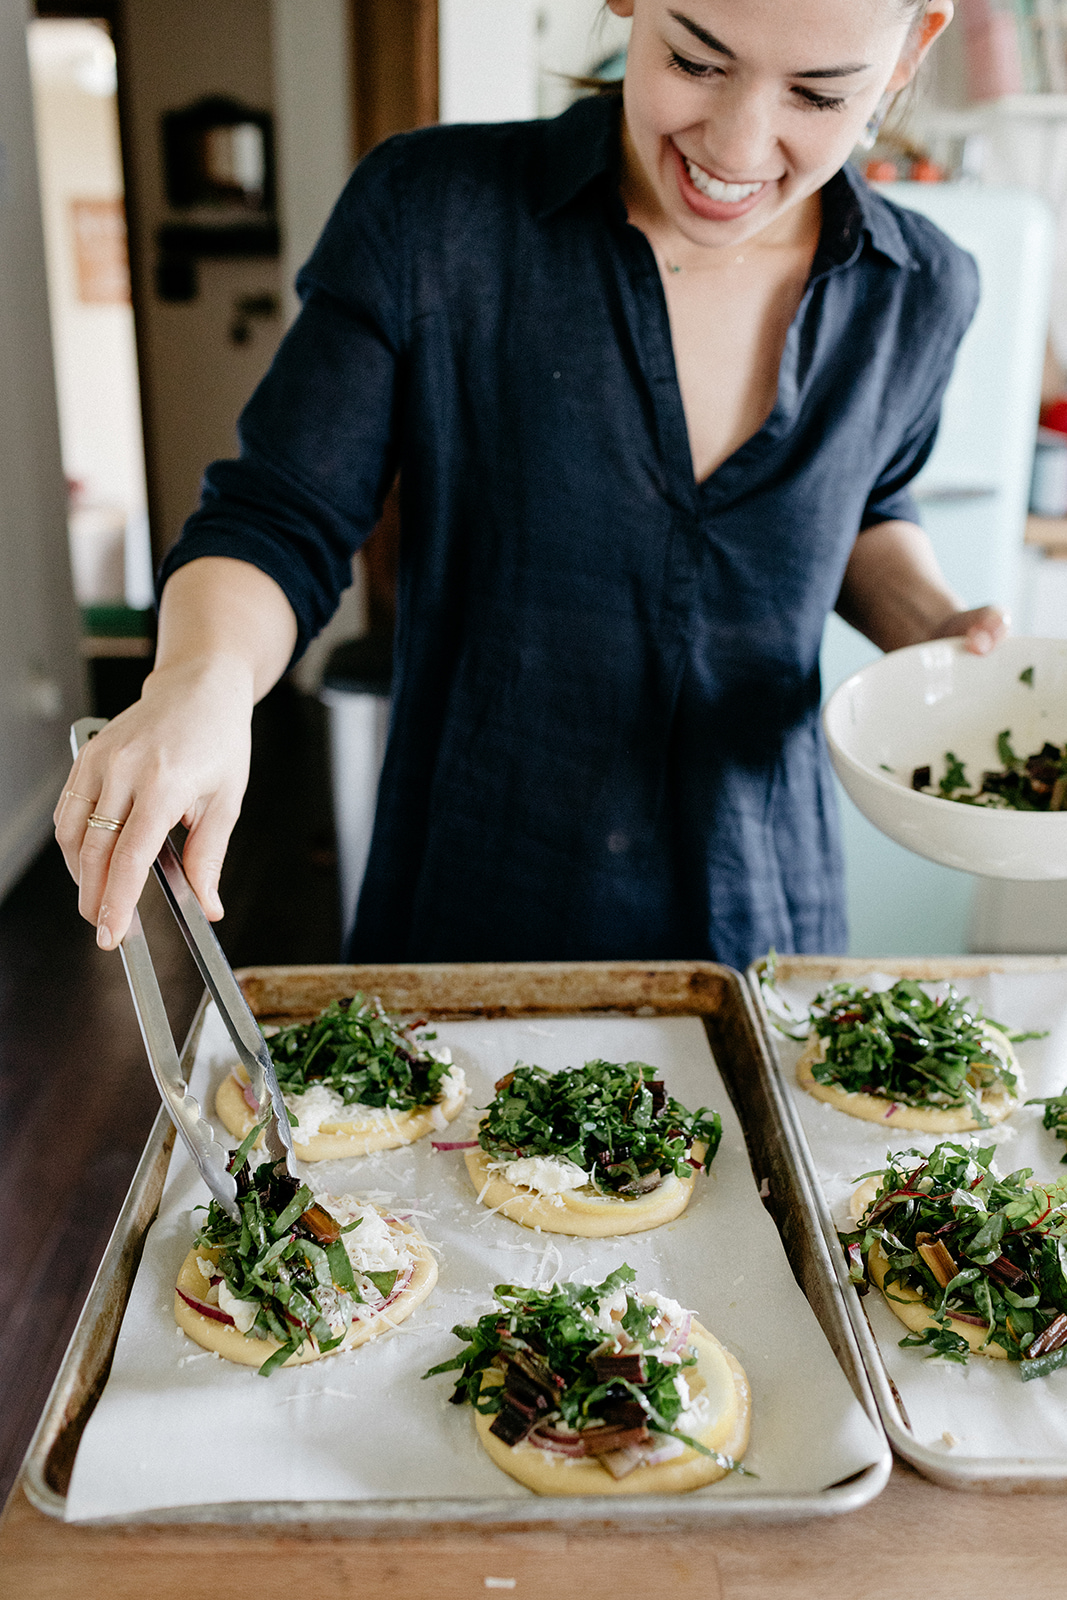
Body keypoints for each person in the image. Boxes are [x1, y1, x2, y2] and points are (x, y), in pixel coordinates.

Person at [55, 0, 1006, 970]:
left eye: (816, 93)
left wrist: (931, 624)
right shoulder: (432, 212)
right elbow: (279, 513)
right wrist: (199, 682)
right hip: (481, 897)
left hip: (759, 907)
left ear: (907, 51)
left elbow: (863, 502)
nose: (737, 143)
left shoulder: (920, 287)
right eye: (695, 59)